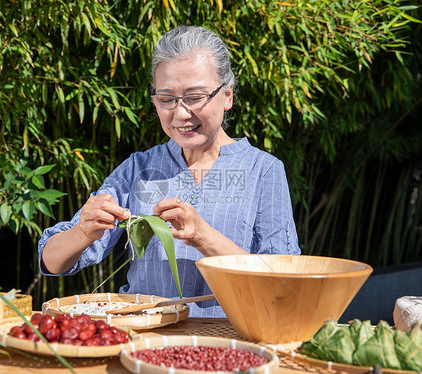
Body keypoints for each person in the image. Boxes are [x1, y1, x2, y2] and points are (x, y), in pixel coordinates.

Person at [38, 25, 300, 317]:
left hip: (229, 340)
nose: (180, 113)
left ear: (227, 95)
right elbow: (51, 261)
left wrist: (203, 236)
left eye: (195, 97)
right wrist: (83, 232)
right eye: (166, 99)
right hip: (142, 339)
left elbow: (284, 281)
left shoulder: (263, 171)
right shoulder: (139, 168)